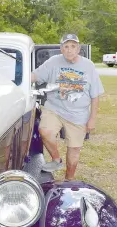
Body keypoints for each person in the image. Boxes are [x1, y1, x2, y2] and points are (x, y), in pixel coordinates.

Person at [31, 34, 104, 180]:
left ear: (78, 48)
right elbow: (35, 76)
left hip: (78, 114)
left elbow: (95, 95)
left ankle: (68, 180)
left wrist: (92, 119)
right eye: (66, 46)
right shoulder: (53, 62)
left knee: (74, 152)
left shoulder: (88, 66)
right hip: (54, 109)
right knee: (45, 131)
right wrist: (18, 79)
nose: (69, 50)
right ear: (61, 49)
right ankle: (56, 159)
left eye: (73, 46)